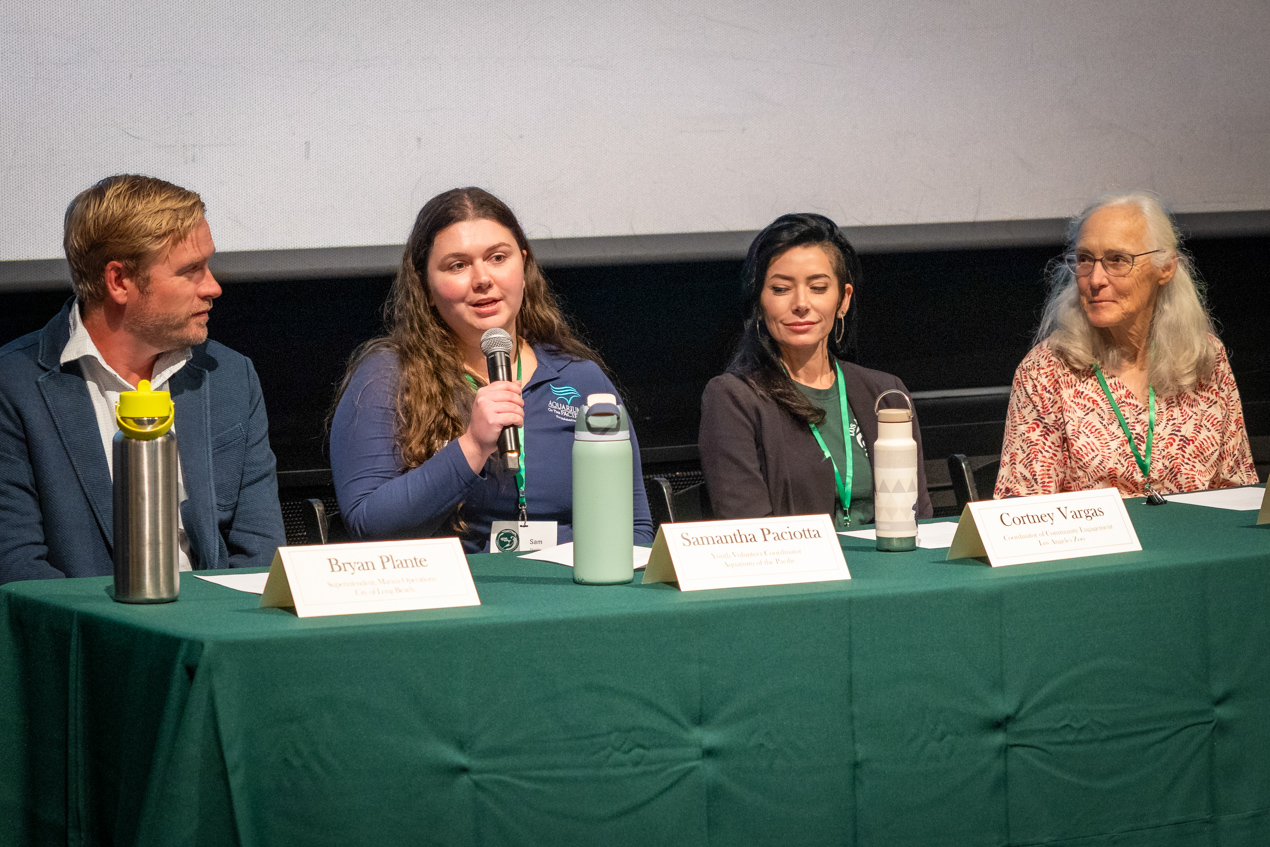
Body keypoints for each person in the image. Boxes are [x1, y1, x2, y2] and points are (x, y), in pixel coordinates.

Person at [329, 187, 653, 553]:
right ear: (424, 282)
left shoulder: (578, 377)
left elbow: (634, 526)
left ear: (524, 265)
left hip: (572, 590)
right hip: (457, 594)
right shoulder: (387, 377)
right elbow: (367, 523)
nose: (482, 278)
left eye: (498, 257)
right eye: (458, 265)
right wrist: (472, 447)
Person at [0, 175, 286, 584]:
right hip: (90, 639)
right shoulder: (14, 386)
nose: (214, 287)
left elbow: (260, 552)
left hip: (211, 632)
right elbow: (18, 571)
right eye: (190, 271)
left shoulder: (230, 377)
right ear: (119, 281)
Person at [995, 192, 1257, 498]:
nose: (1095, 279)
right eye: (1084, 260)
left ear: (1165, 268)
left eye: (1117, 260)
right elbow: (1023, 509)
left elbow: (1240, 490)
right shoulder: (1046, 370)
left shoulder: (1206, 359)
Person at [699, 213, 932, 527]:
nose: (801, 303)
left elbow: (921, 518)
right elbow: (748, 529)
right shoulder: (734, 398)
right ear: (759, 302)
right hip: (797, 571)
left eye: (818, 288)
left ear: (843, 300)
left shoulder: (888, 394)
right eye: (781, 289)